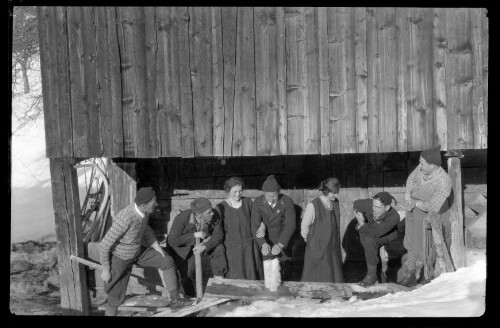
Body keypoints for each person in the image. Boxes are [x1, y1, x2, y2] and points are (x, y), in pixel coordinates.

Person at [99, 187, 194, 316]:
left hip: (138, 251)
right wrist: (105, 269)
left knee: (167, 260)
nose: (156, 204)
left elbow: (146, 229)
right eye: (154, 202)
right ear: (144, 205)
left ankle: (175, 301)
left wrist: (157, 247)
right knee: (115, 297)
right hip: (121, 257)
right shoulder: (125, 218)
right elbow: (104, 244)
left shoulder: (144, 212)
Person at [401, 145, 454, 286]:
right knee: (411, 240)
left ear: (434, 166)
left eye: (422, 163)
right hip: (413, 208)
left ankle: (428, 275)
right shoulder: (420, 170)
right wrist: (408, 195)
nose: (419, 166)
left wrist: (416, 204)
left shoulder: (444, 181)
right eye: (419, 162)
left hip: (431, 214)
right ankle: (411, 273)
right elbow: (411, 179)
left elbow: (433, 206)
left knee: (427, 245)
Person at [167, 197, 227, 297]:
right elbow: (172, 240)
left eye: (211, 210)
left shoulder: (214, 215)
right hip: (184, 250)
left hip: (202, 245)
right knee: (190, 270)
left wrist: (205, 246)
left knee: (219, 249)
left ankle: (218, 285)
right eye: (208, 212)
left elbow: (219, 235)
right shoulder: (182, 218)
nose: (212, 213)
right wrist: (194, 235)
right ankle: (190, 297)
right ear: (199, 215)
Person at [215, 177, 265, 280]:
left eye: (240, 191)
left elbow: (258, 218)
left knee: (253, 276)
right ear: (228, 191)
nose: (238, 194)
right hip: (232, 250)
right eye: (235, 192)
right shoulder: (221, 208)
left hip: (250, 247)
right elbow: (218, 232)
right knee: (236, 276)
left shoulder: (248, 202)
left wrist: (263, 226)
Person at [251, 175, 296, 281]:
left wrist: (281, 244)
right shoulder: (258, 202)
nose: (270, 199)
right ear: (263, 193)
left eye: (273, 196)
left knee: (283, 274)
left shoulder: (286, 201)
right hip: (266, 244)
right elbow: (254, 225)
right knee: (268, 275)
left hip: (282, 243)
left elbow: (290, 225)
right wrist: (262, 243)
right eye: (268, 196)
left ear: (279, 191)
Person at [300, 177, 344, 283]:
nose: (336, 195)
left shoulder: (334, 203)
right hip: (317, 249)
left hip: (331, 248)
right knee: (317, 277)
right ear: (326, 191)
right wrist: (312, 242)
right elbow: (304, 227)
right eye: (333, 193)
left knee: (333, 275)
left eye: (337, 193)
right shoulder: (314, 205)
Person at [355, 192, 400, 287]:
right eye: (373, 205)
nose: (374, 209)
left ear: (387, 208)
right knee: (370, 246)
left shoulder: (394, 217)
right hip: (371, 229)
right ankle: (376, 277)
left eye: (378, 207)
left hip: (387, 235)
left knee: (370, 242)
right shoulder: (371, 204)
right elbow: (356, 203)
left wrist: (362, 224)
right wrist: (361, 214)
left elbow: (377, 233)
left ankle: (371, 275)